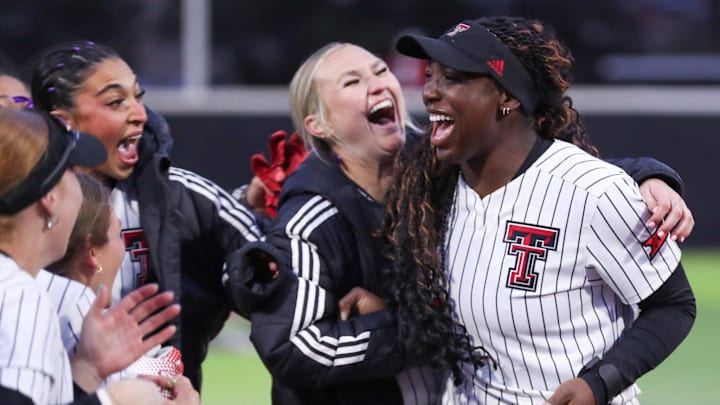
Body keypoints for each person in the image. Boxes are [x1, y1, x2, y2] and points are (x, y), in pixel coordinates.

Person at [226, 41, 694, 404]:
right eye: (351, 82)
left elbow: (546, 170)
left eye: (379, 70)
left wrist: (647, 175)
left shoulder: (438, 165)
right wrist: (417, 328)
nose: (377, 83)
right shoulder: (311, 216)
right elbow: (293, 350)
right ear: (319, 125)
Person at [379, 16, 696, 404]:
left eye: (453, 78)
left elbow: (674, 305)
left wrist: (601, 382)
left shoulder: (592, 191)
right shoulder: (433, 188)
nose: (430, 92)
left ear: (507, 97)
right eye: (431, 76)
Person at [30, 40, 264, 389]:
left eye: (137, 97)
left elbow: (270, 272)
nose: (139, 113)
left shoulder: (182, 196)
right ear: (64, 122)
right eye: (115, 101)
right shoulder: (24, 206)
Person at [0, 108, 194, 404]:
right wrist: (116, 400)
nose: (81, 186)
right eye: (70, 173)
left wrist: (85, 373)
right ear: (50, 199)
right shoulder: (19, 296)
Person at [39, 173, 184, 389]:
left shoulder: (27, 288)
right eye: (119, 235)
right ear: (92, 253)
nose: (122, 248)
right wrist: (165, 370)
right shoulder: (77, 304)